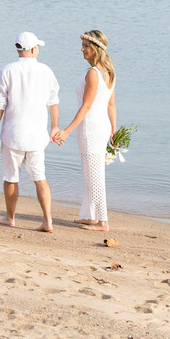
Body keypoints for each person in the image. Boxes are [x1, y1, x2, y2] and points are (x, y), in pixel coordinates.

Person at [0, 31, 60, 232]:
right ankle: (47, 221)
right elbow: (53, 102)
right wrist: (54, 127)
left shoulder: (7, 70)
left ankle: (10, 217)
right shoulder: (45, 71)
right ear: (33, 49)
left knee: (10, 177)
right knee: (40, 177)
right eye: (37, 47)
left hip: (12, 134)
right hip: (37, 136)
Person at [52, 29, 116, 232]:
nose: (82, 49)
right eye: (82, 45)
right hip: (102, 126)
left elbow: (87, 105)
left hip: (91, 128)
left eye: (86, 46)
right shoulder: (109, 72)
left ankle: (103, 222)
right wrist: (113, 129)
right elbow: (111, 105)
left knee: (94, 175)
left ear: (96, 48)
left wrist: (66, 131)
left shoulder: (93, 73)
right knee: (90, 172)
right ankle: (90, 216)